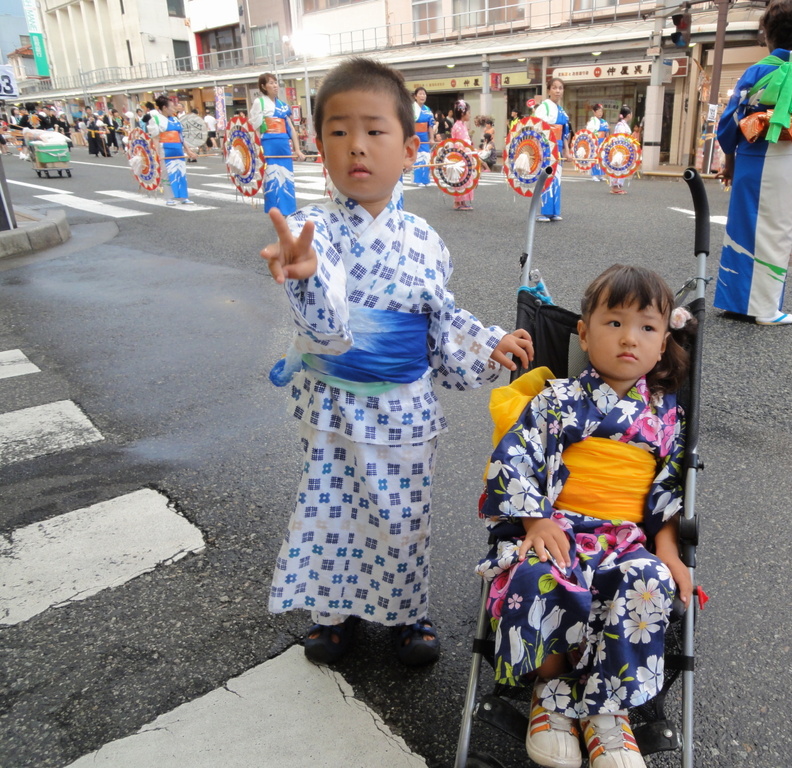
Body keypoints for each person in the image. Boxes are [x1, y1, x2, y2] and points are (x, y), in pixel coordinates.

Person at [258, 57, 534, 668]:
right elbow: (325, 311)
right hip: (331, 402)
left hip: (402, 407)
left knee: (402, 513)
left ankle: (406, 611)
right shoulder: (314, 231)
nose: (356, 145)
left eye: (375, 130)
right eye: (338, 130)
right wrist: (305, 278)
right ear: (319, 145)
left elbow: (441, 320)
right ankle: (333, 615)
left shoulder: (425, 242)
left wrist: (490, 342)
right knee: (330, 507)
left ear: (410, 148)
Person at [478, 264, 694, 768]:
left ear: (662, 344)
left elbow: (667, 489)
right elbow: (517, 456)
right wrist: (534, 520)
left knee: (649, 581)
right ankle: (550, 691)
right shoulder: (557, 399)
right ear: (583, 332)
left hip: (626, 537)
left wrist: (666, 550)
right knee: (534, 573)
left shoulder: (666, 416)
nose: (629, 339)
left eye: (646, 328)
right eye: (614, 323)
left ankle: (608, 710)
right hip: (562, 525)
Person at [712, 0, 792, 326]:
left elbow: (730, 122)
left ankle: (736, 302)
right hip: (790, 157)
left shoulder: (756, 71)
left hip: (752, 155)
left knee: (743, 226)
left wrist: (730, 163)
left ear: (767, 34)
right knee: (777, 230)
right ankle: (766, 309)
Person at [250, 73, 302, 216]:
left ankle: (289, 210)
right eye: (271, 83)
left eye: (275, 82)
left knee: (287, 177)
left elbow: (291, 128)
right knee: (271, 177)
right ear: (263, 86)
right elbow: (254, 126)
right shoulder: (259, 102)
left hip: (284, 144)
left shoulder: (283, 106)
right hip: (268, 144)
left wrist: (297, 149)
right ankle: (275, 211)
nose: (275, 85)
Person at [148, 95, 198, 205]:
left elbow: (181, 137)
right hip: (165, 149)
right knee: (167, 173)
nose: (174, 108)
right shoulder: (156, 119)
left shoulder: (175, 119)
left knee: (181, 172)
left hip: (178, 148)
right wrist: (156, 154)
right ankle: (168, 197)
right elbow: (155, 138)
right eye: (171, 106)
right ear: (165, 107)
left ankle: (183, 196)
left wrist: (188, 150)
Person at [534, 77, 571, 222]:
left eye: (560, 88)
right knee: (547, 177)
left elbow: (565, 133)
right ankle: (544, 211)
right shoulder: (544, 107)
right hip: (547, 146)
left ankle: (554, 211)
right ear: (549, 90)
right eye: (554, 87)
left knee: (557, 177)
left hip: (559, 146)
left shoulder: (561, 110)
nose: (557, 91)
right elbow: (538, 127)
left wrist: (567, 151)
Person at [451, 99, 475, 210]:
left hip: (465, 155)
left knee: (465, 178)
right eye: (469, 112)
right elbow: (457, 143)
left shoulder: (461, 125)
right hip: (461, 156)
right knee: (462, 178)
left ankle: (462, 202)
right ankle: (458, 202)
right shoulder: (457, 126)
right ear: (462, 113)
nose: (470, 115)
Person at [411, 87, 436, 187]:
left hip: (424, 136)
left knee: (426, 157)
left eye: (424, 94)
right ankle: (418, 180)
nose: (422, 96)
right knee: (417, 158)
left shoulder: (427, 110)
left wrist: (432, 138)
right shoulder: (411, 108)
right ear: (415, 96)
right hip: (414, 135)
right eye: (420, 94)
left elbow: (430, 125)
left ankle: (425, 180)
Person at [609, 105, 633, 194]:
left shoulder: (623, 124)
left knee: (621, 167)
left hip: (623, 148)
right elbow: (621, 137)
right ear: (628, 115)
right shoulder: (621, 125)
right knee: (618, 166)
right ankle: (615, 187)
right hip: (620, 149)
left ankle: (617, 186)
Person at [585, 103, 609, 183]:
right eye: (598, 111)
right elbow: (589, 132)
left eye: (601, 111)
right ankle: (594, 175)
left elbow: (607, 132)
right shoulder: (592, 122)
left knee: (602, 158)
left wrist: (607, 140)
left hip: (603, 141)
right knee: (595, 157)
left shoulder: (604, 122)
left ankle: (601, 174)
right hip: (595, 141)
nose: (600, 113)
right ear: (594, 112)